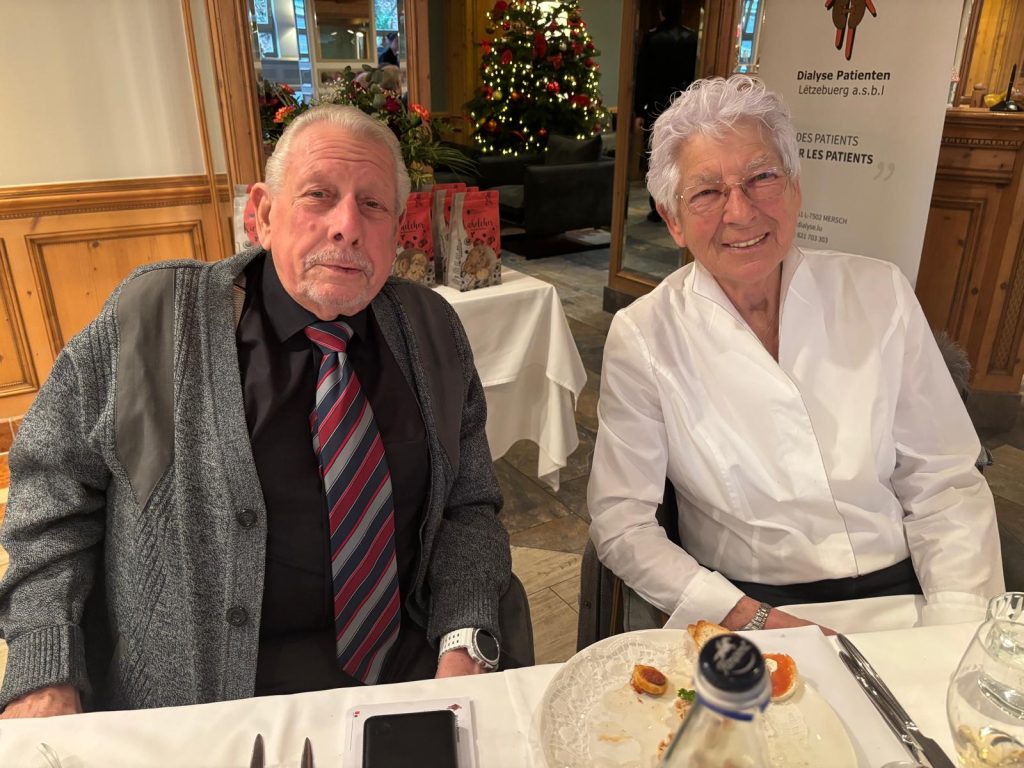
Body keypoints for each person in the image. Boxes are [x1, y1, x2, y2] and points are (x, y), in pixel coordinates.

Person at [0, 104, 512, 718]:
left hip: (404, 677)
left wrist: (463, 640)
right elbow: (51, 503)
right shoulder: (155, 318)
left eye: (373, 205)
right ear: (262, 215)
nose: (347, 226)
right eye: (319, 195)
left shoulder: (432, 331)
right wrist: (45, 670)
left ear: (398, 229)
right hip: (200, 702)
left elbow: (467, 507)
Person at [589, 75, 1003, 635]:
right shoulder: (645, 335)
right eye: (707, 193)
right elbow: (622, 523)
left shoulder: (879, 293)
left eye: (762, 178)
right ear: (673, 221)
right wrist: (756, 619)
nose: (741, 212)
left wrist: (956, 630)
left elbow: (944, 482)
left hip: (907, 598)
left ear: (795, 189)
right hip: (748, 609)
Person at [633, 0, 698, 222]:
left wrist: (638, 110)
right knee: (680, 156)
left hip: (657, 105)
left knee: (655, 155)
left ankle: (658, 205)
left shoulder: (653, 39)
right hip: (683, 104)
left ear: (661, 12)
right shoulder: (691, 38)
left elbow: (643, 77)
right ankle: (676, 204)